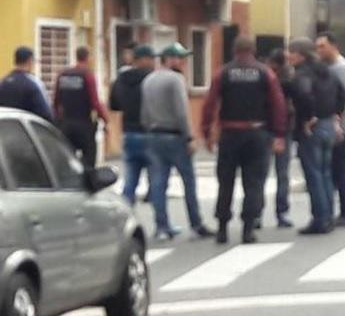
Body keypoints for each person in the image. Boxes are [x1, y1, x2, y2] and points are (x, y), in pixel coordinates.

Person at [202, 36, 287, 245]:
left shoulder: (223, 73)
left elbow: (210, 103)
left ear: (234, 51)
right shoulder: (265, 73)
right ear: (254, 51)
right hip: (257, 134)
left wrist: (207, 132)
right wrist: (279, 134)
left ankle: (222, 228)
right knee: (254, 183)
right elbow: (278, 105)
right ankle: (248, 229)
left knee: (225, 182)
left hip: (230, 133)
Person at [142, 43, 215, 241]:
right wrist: (190, 136)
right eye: (180, 58)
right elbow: (181, 111)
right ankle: (196, 223)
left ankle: (161, 226)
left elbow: (144, 113)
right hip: (175, 136)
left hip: (154, 135)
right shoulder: (176, 80)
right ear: (170, 59)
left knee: (158, 184)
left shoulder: (148, 80)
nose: (183, 62)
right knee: (188, 182)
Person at [288, 38, 345, 235]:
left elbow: (304, 94)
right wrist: (335, 113)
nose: (288, 56)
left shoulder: (302, 74)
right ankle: (328, 216)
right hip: (329, 124)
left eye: (291, 52)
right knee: (326, 173)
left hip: (311, 128)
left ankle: (320, 219)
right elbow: (343, 93)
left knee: (313, 175)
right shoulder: (327, 71)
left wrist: (308, 116)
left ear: (300, 55)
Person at [317, 33, 345, 227]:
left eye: (322, 46)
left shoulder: (341, 68)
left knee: (340, 170)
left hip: (342, 127)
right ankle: (337, 211)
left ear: (334, 46)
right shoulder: (329, 67)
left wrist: (339, 123)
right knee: (335, 169)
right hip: (337, 125)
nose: (319, 51)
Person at [111, 45, 156, 204]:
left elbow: (114, 104)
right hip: (150, 132)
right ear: (143, 60)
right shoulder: (153, 78)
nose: (153, 62)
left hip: (129, 131)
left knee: (130, 178)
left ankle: (126, 212)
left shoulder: (121, 78)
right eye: (151, 58)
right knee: (156, 178)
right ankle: (161, 223)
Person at [53, 47, 111, 169]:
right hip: (84, 124)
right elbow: (94, 102)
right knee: (89, 160)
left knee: (67, 159)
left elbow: (56, 100)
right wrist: (105, 120)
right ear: (88, 57)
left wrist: (57, 120)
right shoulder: (88, 75)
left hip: (66, 124)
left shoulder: (63, 75)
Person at [266, 49, 296, 228]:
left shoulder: (268, 78)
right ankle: (282, 212)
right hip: (284, 131)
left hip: (267, 129)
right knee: (282, 174)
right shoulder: (290, 80)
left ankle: (256, 214)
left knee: (260, 174)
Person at [0, 47, 54, 122]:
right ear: (30, 61)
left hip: (6, 129)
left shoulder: (3, 82)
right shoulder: (33, 83)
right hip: (27, 129)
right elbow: (46, 114)